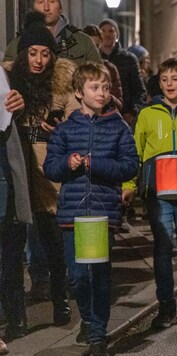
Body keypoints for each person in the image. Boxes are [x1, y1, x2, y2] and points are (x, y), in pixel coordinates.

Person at [43, 62, 139, 356]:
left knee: (97, 273)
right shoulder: (66, 129)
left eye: (106, 87)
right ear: (78, 92)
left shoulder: (118, 126)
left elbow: (130, 165)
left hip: (102, 212)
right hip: (73, 214)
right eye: (95, 87)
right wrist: (68, 163)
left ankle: (98, 332)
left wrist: (95, 164)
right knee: (77, 276)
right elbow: (50, 168)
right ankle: (87, 317)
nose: (102, 93)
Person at [6, 11, 81, 331]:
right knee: (14, 241)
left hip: (49, 167)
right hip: (17, 165)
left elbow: (79, 119)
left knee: (52, 238)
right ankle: (16, 309)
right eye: (33, 53)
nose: (39, 60)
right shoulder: (9, 79)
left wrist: (62, 125)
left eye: (45, 54)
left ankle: (60, 299)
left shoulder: (63, 80)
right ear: (24, 54)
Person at [130, 57, 177, 329]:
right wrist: (129, 186)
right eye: (164, 80)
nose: (169, 84)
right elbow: (135, 153)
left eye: (175, 79)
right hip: (159, 192)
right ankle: (165, 305)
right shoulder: (147, 114)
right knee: (162, 249)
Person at [0, 70, 28, 348]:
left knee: (9, 248)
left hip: (3, 171)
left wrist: (18, 105)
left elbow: (8, 110)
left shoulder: (3, 73)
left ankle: (14, 317)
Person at [2, 0, 101, 66]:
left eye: (52, 1)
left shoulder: (83, 42)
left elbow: (98, 78)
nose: (46, 7)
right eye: (40, 2)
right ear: (33, 7)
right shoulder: (17, 44)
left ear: (61, 7)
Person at [99, 19, 147, 125]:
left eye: (111, 31)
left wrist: (132, 112)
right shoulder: (94, 58)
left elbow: (140, 90)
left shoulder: (129, 59)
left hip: (124, 117)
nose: (107, 34)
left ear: (117, 35)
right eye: (103, 30)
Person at [82, 24, 123, 111]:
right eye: (90, 46)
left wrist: (110, 98)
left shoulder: (109, 69)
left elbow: (119, 104)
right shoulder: (74, 69)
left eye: (96, 46)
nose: (93, 50)